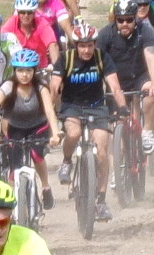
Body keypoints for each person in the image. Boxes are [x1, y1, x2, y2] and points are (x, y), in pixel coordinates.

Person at [54, 20, 128, 222]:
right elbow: (54, 86)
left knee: (102, 149)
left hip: (97, 106)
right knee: (74, 133)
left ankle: (101, 201)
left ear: (95, 44)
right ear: (75, 45)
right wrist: (52, 111)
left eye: (89, 45)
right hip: (71, 106)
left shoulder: (102, 58)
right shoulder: (66, 59)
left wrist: (122, 107)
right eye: (82, 46)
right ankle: (67, 161)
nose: (86, 50)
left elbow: (114, 86)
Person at [0, 49, 62, 210]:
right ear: (14, 71)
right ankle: (12, 205)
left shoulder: (40, 87)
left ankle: (46, 187)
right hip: (16, 128)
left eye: (28, 70)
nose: (24, 75)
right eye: (20, 70)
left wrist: (55, 133)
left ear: (34, 71)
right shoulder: (8, 86)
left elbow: (49, 111)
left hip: (38, 126)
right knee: (14, 168)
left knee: (36, 154)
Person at [96, 0, 154, 155]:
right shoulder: (105, 34)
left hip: (139, 76)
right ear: (115, 19)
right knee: (116, 129)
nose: (124, 24)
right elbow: (96, 62)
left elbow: (152, 57)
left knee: (153, 94)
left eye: (129, 20)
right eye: (120, 20)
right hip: (115, 81)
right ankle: (120, 162)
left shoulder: (145, 31)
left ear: (135, 18)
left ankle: (147, 131)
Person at [3, 0, 62, 72]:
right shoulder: (12, 22)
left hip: (39, 69)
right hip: (17, 68)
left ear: (34, 12)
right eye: (22, 12)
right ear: (18, 12)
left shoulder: (42, 23)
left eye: (29, 12)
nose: (26, 15)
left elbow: (53, 45)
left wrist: (57, 70)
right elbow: (1, 39)